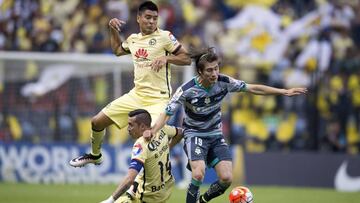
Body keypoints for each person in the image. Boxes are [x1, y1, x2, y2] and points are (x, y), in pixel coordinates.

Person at [146, 47, 308, 203]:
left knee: (226, 179)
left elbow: (254, 88)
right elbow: (167, 113)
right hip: (195, 134)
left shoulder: (224, 82)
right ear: (200, 72)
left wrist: (283, 91)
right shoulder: (187, 90)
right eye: (209, 70)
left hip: (215, 135)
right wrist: (153, 130)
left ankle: (203, 200)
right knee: (198, 174)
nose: (214, 73)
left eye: (216, 68)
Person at [70, 1, 190, 167]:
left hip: (158, 99)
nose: (151, 21)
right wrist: (112, 30)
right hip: (137, 95)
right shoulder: (133, 39)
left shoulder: (165, 37)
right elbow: (118, 50)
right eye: (148, 17)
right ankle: (95, 155)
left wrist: (166, 58)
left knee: (149, 134)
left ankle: (177, 132)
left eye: (155, 18)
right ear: (138, 18)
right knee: (96, 121)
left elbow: (186, 59)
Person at [99, 109, 183, 203]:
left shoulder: (141, 144)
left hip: (147, 197)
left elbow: (129, 179)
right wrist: (168, 147)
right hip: (165, 191)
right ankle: (133, 190)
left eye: (131, 125)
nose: (128, 129)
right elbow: (180, 133)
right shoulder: (162, 130)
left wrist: (110, 200)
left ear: (142, 126)